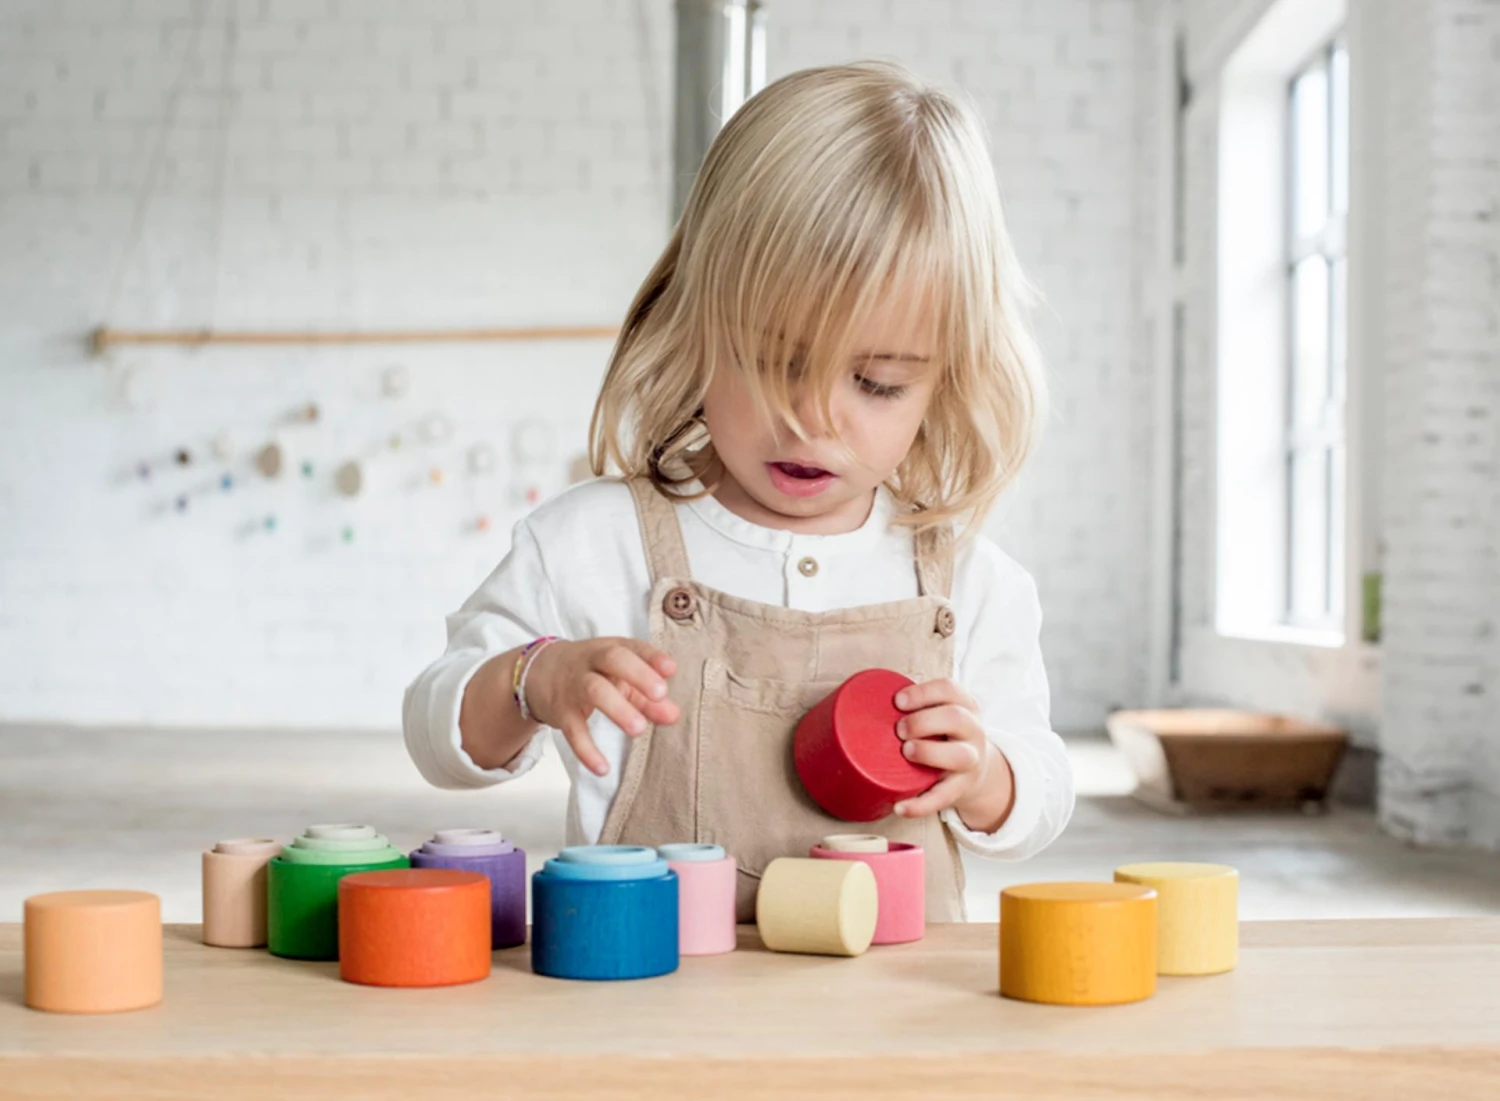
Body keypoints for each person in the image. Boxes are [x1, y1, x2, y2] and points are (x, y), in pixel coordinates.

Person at [404, 61, 1075, 922]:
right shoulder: (592, 546)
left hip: (888, 1024)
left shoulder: (970, 585)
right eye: (774, 361)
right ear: (698, 321)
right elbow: (437, 736)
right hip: (656, 1001)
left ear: (945, 380)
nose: (812, 421)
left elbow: (1044, 793)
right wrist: (531, 680)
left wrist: (987, 777)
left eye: (874, 382)